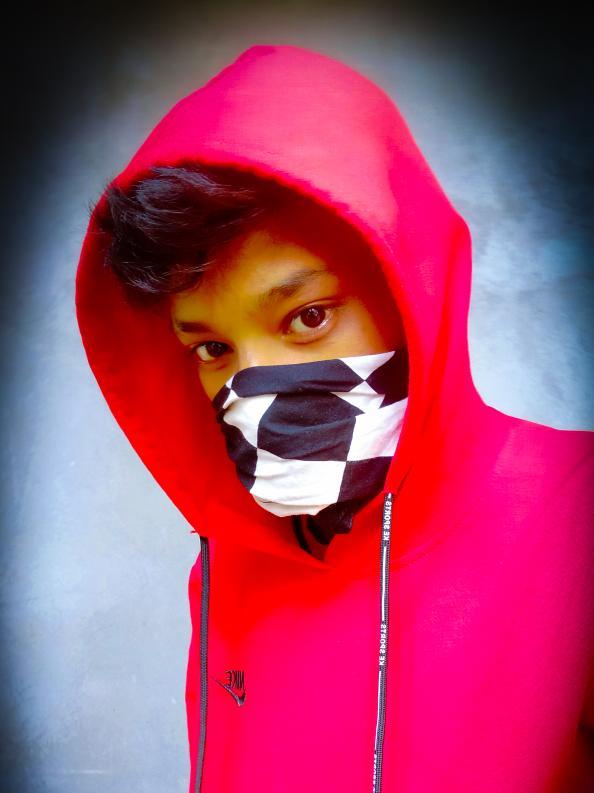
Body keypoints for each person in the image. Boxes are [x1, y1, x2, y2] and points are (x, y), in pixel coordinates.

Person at [75, 43, 594, 793]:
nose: (256, 393)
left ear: (407, 286)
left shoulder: (574, 513)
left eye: (309, 316)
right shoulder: (227, 568)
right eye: (212, 348)